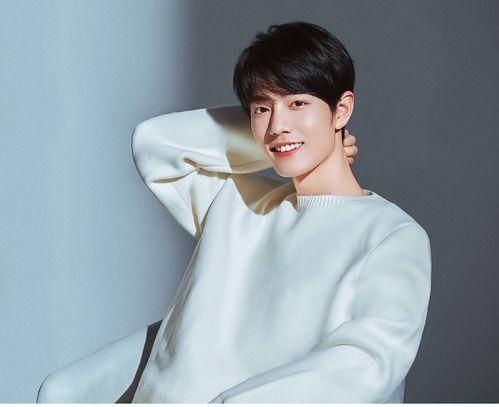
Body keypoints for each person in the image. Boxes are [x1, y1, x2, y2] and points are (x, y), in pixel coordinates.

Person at [130, 21, 431, 403]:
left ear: (342, 110)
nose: (277, 125)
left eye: (298, 103)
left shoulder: (391, 235)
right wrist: (284, 140)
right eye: (261, 108)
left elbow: (367, 364)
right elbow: (154, 143)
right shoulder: (236, 203)